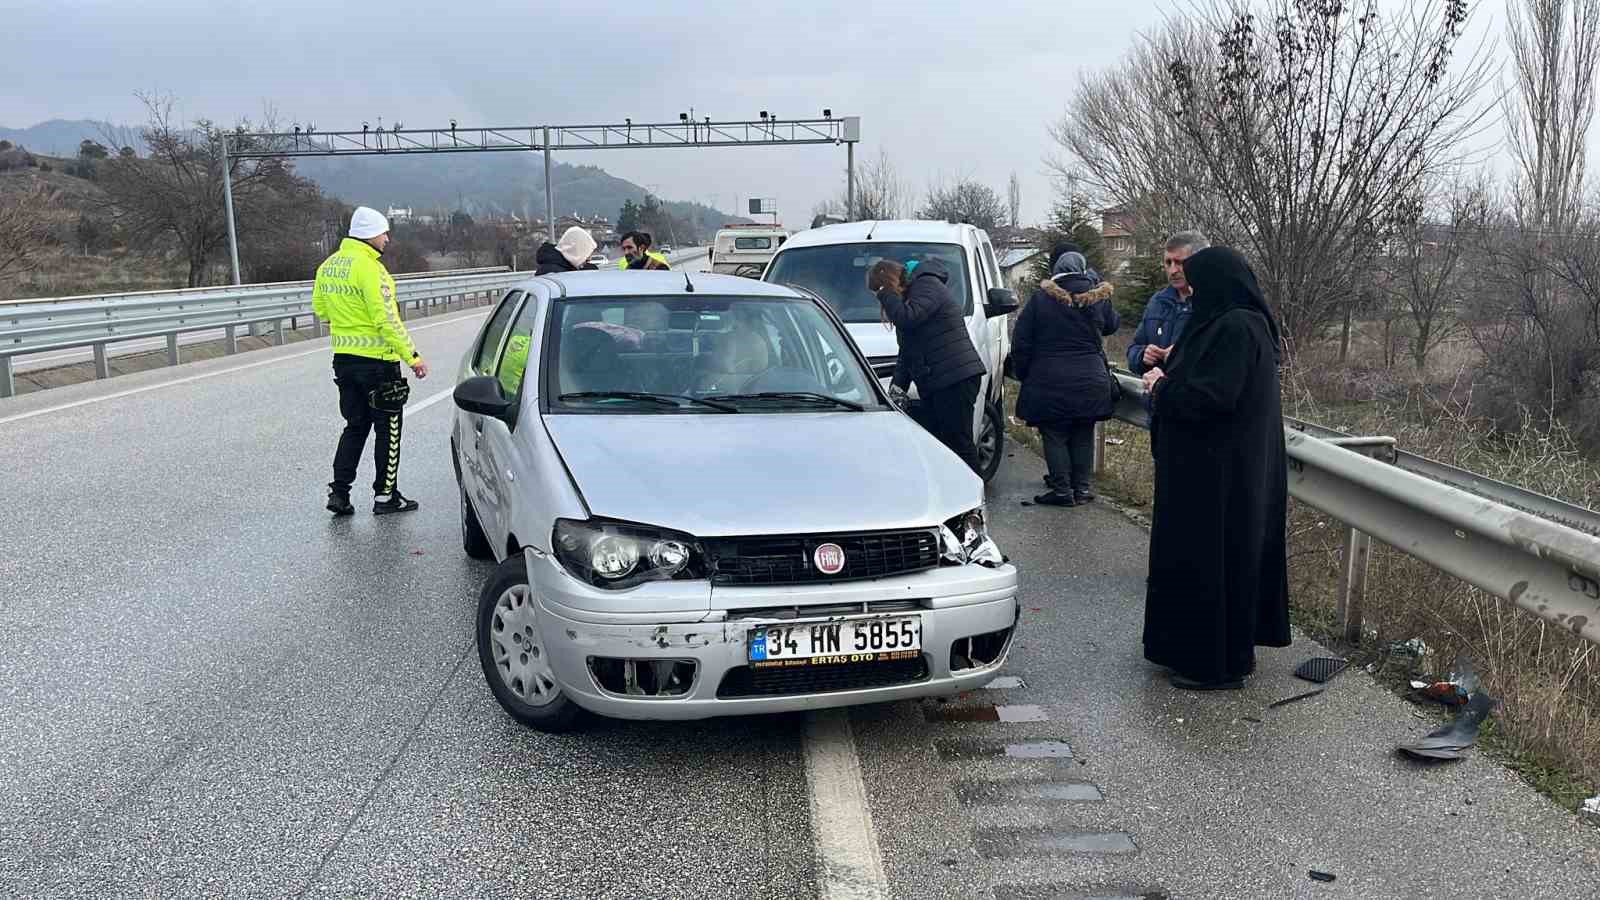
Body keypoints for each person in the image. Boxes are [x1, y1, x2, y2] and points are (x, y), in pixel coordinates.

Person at [1138, 246, 1290, 691]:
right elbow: (1210, 379)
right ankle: (1195, 651)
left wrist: (1162, 387)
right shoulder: (1235, 323)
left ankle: (1215, 665)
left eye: (1198, 284)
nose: (1192, 292)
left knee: (1212, 564)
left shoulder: (1238, 327)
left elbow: (1213, 398)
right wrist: (1171, 366)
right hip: (1212, 470)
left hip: (1219, 478)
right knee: (1206, 563)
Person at [312, 206, 429, 517]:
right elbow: (387, 320)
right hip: (379, 364)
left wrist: (347, 321)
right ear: (369, 235)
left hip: (344, 361)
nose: (387, 238)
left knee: (354, 426)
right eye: (383, 232)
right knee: (388, 430)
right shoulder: (372, 270)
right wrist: (413, 357)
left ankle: (339, 493)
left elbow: (321, 310)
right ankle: (385, 496)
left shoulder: (328, 266)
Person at [1012, 252, 1120, 506]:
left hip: (1049, 378)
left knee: (1054, 433)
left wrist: (1025, 373)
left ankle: (1062, 491)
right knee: (1084, 431)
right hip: (1091, 378)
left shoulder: (1041, 299)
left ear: (1057, 271)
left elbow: (1021, 340)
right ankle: (1082, 489)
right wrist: (1097, 285)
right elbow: (1112, 325)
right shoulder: (1098, 297)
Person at [868, 258, 987, 472]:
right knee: (942, 443)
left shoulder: (927, 285)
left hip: (954, 378)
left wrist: (886, 294)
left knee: (959, 443)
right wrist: (897, 388)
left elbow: (907, 319)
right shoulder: (914, 297)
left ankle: (974, 496)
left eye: (879, 291)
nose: (879, 299)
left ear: (888, 283)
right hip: (940, 380)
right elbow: (908, 351)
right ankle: (954, 495)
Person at [1126, 232, 1209, 375]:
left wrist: (1183, 355)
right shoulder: (1158, 302)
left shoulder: (1213, 304)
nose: (1173, 270)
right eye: (1168, 262)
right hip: (1157, 393)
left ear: (1200, 262)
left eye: (1180, 263)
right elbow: (1134, 349)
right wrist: (1142, 355)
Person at [535, 226, 600, 275]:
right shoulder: (553, 273)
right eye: (586, 255)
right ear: (577, 251)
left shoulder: (564, 267)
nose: (589, 259)